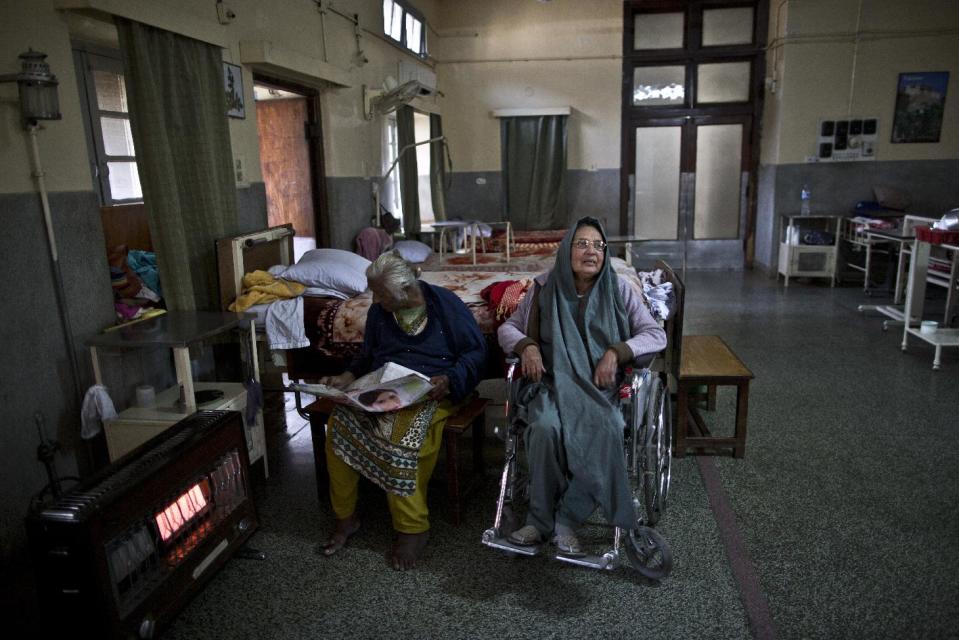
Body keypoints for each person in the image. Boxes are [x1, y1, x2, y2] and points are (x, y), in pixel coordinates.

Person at [497, 217, 667, 555]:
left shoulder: (619, 289)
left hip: (598, 390)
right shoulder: (544, 287)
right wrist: (527, 346)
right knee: (544, 427)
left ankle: (567, 520)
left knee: (608, 428)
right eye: (582, 244)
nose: (591, 251)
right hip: (553, 385)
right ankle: (539, 520)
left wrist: (616, 353)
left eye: (598, 246)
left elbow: (655, 334)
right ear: (566, 250)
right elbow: (507, 329)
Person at [318, 251, 487, 570]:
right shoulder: (382, 313)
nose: (377, 301)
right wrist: (347, 377)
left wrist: (449, 380)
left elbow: (476, 353)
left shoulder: (445, 305)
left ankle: (413, 528)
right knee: (339, 424)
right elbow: (368, 356)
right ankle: (346, 517)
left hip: (437, 388)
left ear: (406, 290)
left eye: (382, 294)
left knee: (401, 436)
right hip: (388, 385)